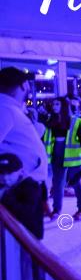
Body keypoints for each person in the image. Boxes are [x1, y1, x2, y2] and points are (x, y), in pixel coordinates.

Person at [0, 67, 48, 239]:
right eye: (27, 83)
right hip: (19, 188)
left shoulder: (12, 109)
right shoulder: (5, 109)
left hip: (26, 185)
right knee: (27, 242)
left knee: (31, 240)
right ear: (22, 85)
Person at [44, 96, 81, 221]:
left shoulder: (75, 121)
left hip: (73, 157)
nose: (54, 107)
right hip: (57, 155)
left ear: (64, 106)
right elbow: (46, 138)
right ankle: (56, 210)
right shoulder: (51, 120)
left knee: (75, 182)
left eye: (57, 104)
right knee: (57, 183)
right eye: (53, 104)